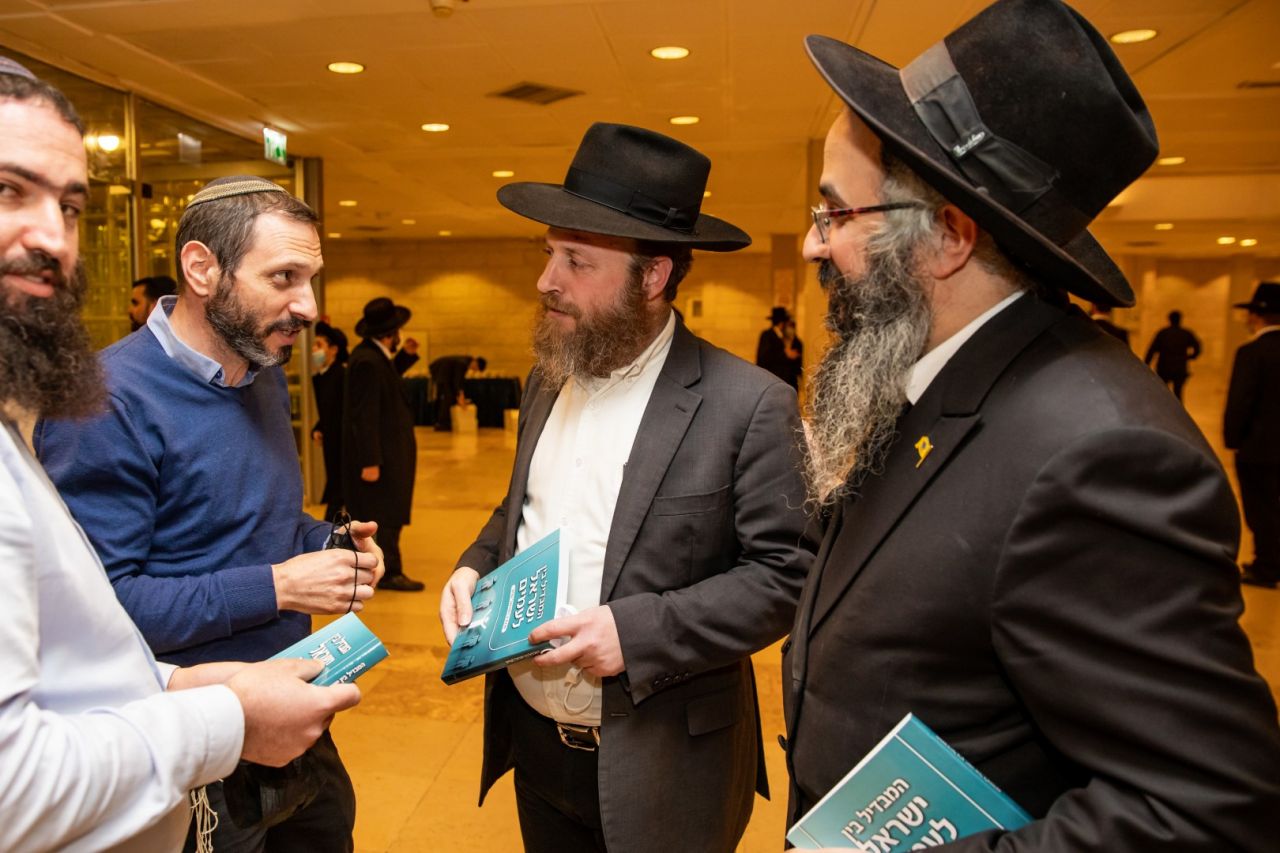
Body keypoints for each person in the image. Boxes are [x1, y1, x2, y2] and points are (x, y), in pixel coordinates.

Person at [782, 1, 1280, 851]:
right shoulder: (931, 370)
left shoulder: (1101, 454)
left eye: (835, 214)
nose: (811, 245)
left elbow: (1207, 812)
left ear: (948, 236)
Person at [0, 57, 360, 852]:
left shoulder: (260, 368)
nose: (308, 305)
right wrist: (279, 584)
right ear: (202, 269)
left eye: (69, 207)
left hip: (285, 700)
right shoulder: (104, 400)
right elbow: (108, 607)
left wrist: (323, 546)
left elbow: (251, 524)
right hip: (179, 750)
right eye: (285, 276)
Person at [438, 122, 813, 853]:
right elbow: (521, 506)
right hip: (537, 749)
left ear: (653, 276)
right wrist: (475, 564)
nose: (547, 281)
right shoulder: (548, 377)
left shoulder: (748, 404)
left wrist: (634, 634)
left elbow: (786, 575)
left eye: (577, 261)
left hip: (668, 765)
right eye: (549, 253)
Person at [344, 297, 425, 592]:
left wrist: (406, 357)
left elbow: (386, 383)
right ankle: (389, 571)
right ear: (390, 334)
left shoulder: (373, 356)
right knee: (386, 514)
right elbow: (364, 414)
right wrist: (370, 460)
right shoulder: (367, 361)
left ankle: (384, 567)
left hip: (389, 453)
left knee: (389, 511)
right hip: (382, 457)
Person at [1225, 282, 1280, 589]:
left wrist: (1233, 438)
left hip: (1259, 448)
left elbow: (1241, 401)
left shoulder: (1251, 353)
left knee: (1261, 509)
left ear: (1257, 316)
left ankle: (1266, 566)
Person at [312, 320, 349, 522]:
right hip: (331, 445)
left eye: (319, 345)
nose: (314, 350)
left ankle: (330, 531)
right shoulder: (322, 376)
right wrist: (318, 428)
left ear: (333, 350)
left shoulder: (342, 376)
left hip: (343, 446)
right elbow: (328, 412)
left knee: (338, 492)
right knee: (337, 491)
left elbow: (343, 411)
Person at [1144, 309, 1202, 400]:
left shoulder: (1163, 333)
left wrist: (1146, 365)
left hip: (1164, 367)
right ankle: (1176, 409)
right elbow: (1197, 347)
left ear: (1169, 319)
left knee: (1163, 393)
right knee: (1178, 394)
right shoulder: (1185, 334)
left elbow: (1152, 350)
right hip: (1179, 367)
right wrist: (1191, 357)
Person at [428, 352, 486, 430]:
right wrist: (461, 396)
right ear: (475, 362)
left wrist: (460, 395)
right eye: (475, 368)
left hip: (443, 374)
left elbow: (457, 380)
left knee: (449, 397)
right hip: (440, 373)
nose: (473, 370)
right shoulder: (463, 363)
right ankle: (442, 424)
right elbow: (458, 381)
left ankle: (442, 422)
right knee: (448, 398)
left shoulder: (465, 360)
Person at [756, 306, 804, 389]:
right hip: (771, 383)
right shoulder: (767, 335)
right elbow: (764, 357)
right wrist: (785, 354)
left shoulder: (787, 337)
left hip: (786, 384)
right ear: (782, 323)